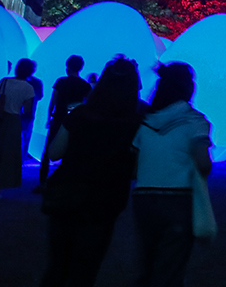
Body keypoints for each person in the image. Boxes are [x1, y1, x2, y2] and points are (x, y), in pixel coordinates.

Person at [39, 56, 142, 287]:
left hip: (67, 192)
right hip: (106, 200)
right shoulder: (135, 122)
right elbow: (135, 170)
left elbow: (55, 152)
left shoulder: (80, 114)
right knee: (86, 269)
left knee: (57, 266)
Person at [132, 62, 212, 287]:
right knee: (170, 264)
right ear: (188, 88)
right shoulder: (195, 121)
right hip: (178, 197)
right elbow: (203, 163)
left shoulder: (146, 120)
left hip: (143, 197)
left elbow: (134, 164)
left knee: (148, 259)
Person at [38, 54, 93, 192]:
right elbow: (88, 103)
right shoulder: (85, 85)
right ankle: (66, 181)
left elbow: (53, 100)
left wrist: (49, 116)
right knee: (71, 149)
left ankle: (42, 182)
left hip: (58, 117)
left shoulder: (61, 82)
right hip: (76, 120)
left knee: (48, 149)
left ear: (68, 66)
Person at [0, 58, 38, 199]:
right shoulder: (28, 88)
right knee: (9, 154)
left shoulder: (4, 81)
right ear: (30, 71)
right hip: (14, 121)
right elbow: (27, 110)